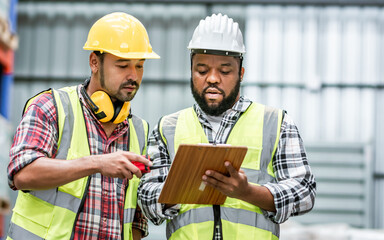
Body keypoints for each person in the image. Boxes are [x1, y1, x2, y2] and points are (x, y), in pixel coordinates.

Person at [138, 13, 316, 240]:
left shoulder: (276, 123)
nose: (212, 78)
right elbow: (145, 198)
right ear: (191, 72)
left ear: (241, 73)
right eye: (202, 70)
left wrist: (248, 192)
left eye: (224, 71)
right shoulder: (168, 128)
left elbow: (305, 192)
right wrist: (181, 188)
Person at [7, 12, 159, 240]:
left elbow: (136, 222)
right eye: (122, 65)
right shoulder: (51, 107)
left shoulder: (140, 131)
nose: (133, 76)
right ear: (94, 62)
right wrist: (97, 163)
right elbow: (22, 174)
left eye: (139, 66)